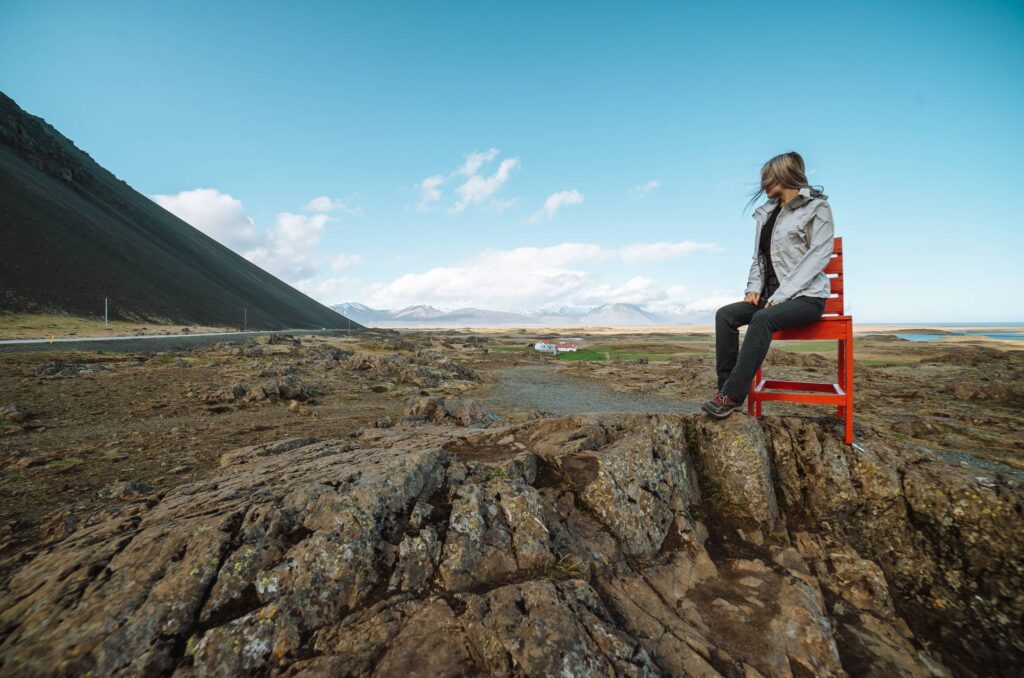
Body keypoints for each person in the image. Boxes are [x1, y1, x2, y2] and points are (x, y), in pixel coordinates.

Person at [702, 151, 834, 418]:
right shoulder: (767, 214)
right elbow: (758, 258)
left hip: (806, 298)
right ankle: (724, 390)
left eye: (769, 177)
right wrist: (753, 288)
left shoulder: (817, 209)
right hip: (769, 298)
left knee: (762, 319)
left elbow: (818, 255)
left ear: (786, 175)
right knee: (725, 316)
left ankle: (732, 397)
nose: (764, 183)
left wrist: (782, 295)